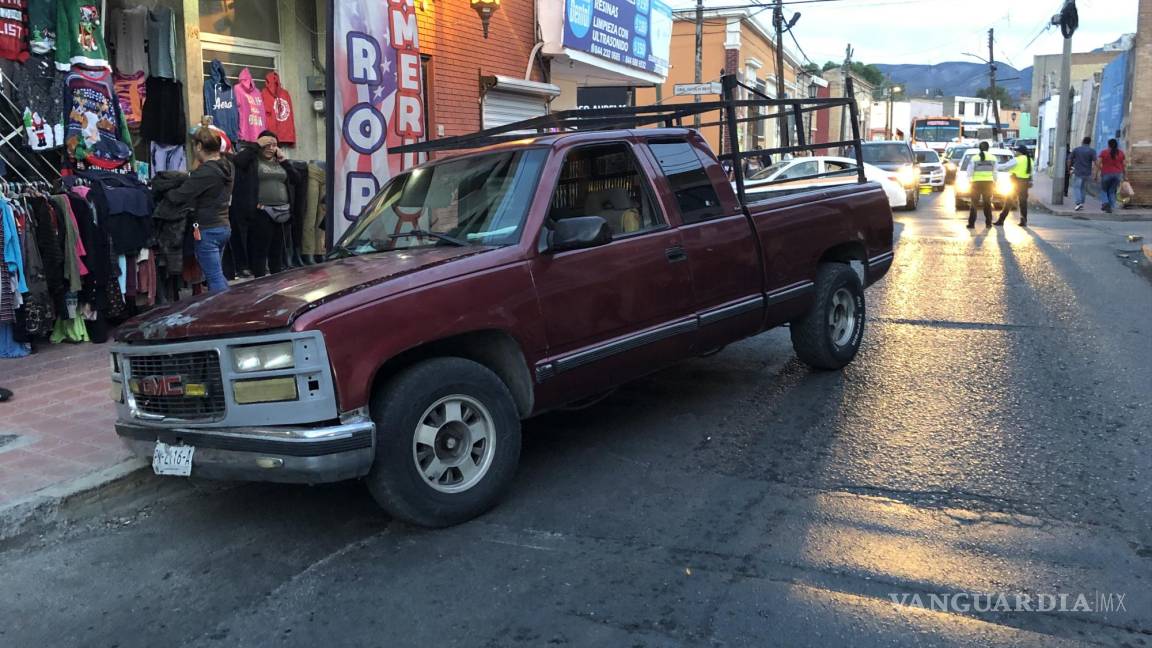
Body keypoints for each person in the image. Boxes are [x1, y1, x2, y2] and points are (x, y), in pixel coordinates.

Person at [162, 127, 235, 292]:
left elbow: (178, 196)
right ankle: (227, 306)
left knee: (214, 279)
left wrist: (163, 190)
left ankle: (225, 311)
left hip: (207, 229)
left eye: (194, 146)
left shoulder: (206, 172)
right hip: (223, 225)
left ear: (200, 146)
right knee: (217, 274)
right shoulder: (227, 166)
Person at [233, 130, 298, 277]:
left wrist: (284, 161)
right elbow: (238, 161)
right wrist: (255, 145)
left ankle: (276, 285)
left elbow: (296, 179)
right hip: (262, 212)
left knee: (277, 253)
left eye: (274, 145)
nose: (270, 148)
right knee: (260, 253)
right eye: (267, 144)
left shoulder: (279, 163)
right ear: (260, 145)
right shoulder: (252, 161)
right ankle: (260, 285)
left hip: (282, 212)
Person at [964, 141, 1016, 229]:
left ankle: (971, 224)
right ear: (988, 149)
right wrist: (995, 182)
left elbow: (969, 171)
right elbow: (995, 172)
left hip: (976, 184)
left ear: (979, 148)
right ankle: (988, 223)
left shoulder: (975, 158)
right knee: (987, 203)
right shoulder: (993, 158)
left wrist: (970, 181)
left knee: (974, 204)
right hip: (988, 184)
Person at [996, 144, 1033, 227]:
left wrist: (995, 166)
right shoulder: (1030, 160)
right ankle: (1024, 221)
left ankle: (1001, 220)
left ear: (1020, 152)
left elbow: (1005, 167)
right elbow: (1031, 173)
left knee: (1008, 202)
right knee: (1023, 203)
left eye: (1017, 151)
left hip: (1016, 183)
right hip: (1025, 183)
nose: (1015, 152)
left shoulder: (1017, 160)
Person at [1094, 138, 1126, 214]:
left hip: (1106, 174)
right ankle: (1111, 206)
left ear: (1108, 145)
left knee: (1104, 190)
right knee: (1112, 191)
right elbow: (1124, 165)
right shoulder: (1121, 153)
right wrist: (1125, 175)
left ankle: (1106, 203)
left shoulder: (1104, 152)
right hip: (1117, 175)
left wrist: (1096, 174)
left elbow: (1098, 164)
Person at [1069, 137, 1096, 211]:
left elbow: (1070, 159)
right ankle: (1082, 202)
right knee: (1083, 188)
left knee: (1077, 187)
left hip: (1078, 172)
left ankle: (1078, 202)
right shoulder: (1092, 151)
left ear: (1082, 141)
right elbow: (1095, 161)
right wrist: (1095, 172)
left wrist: (1069, 168)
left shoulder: (1076, 149)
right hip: (1087, 173)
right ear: (1089, 142)